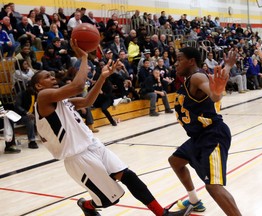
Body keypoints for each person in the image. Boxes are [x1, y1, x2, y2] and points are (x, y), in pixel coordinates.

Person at [31, 39, 185, 216]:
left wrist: (102, 77)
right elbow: (78, 86)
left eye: (52, 75)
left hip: (93, 145)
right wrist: (83, 57)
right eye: (47, 77)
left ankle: (162, 214)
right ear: (38, 85)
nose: (53, 77)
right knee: (109, 200)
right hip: (78, 157)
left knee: (129, 177)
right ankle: (87, 205)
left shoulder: (61, 100)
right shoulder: (43, 97)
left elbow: (88, 101)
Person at [168, 47, 242, 215]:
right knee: (176, 161)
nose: (176, 63)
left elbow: (214, 95)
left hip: (212, 135)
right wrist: (228, 66)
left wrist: (217, 92)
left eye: (179, 59)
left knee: (213, 186)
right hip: (199, 136)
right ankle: (194, 201)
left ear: (191, 61)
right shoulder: (189, 80)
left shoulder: (197, 77)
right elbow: (216, 84)